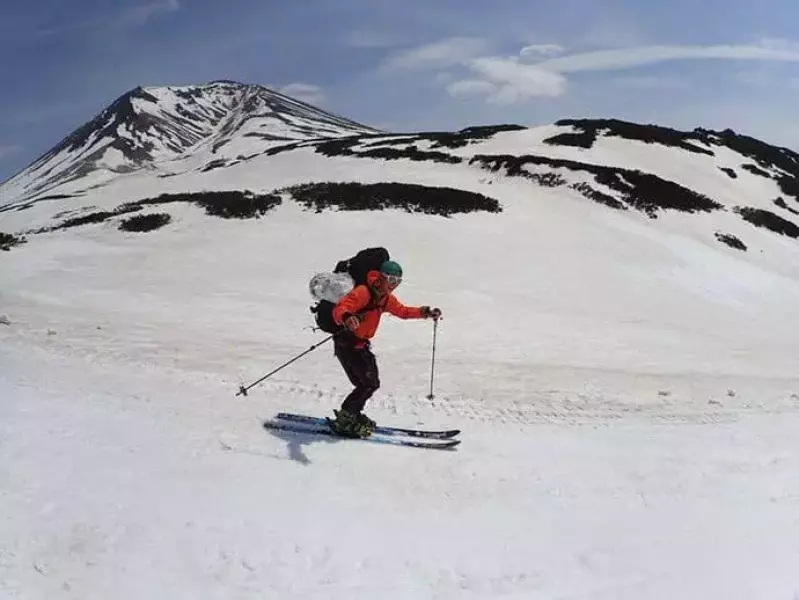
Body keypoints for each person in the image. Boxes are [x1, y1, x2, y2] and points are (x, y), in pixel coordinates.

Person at [328, 260, 442, 437]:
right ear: (380, 278)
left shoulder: (385, 299)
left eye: (397, 281)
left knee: (368, 383)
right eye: (390, 280)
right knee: (368, 384)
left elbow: (402, 311)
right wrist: (347, 317)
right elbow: (339, 309)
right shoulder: (363, 293)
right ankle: (346, 418)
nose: (393, 285)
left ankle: (351, 414)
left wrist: (424, 313)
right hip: (347, 343)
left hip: (360, 345)